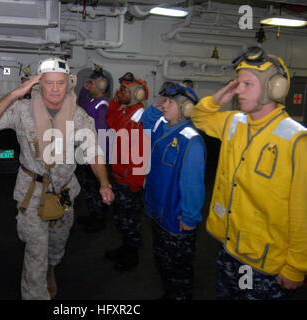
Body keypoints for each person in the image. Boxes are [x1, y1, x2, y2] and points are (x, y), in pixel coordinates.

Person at [0, 57, 114, 300]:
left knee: (56, 245)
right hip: (32, 191)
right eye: (48, 83)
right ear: (39, 85)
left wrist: (104, 183)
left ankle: (51, 269)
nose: (54, 88)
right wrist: (15, 93)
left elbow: (93, 152)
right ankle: (35, 292)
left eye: (59, 83)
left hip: (64, 193)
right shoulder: (22, 109)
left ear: (68, 84)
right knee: (36, 251)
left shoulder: (79, 116)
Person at [191, 46, 307, 299]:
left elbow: (302, 211)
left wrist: (296, 268)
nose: (238, 91)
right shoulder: (234, 121)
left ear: (274, 88)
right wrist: (217, 100)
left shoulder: (297, 140)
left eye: (247, 84)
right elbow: (199, 118)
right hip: (230, 246)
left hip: (265, 264)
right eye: (237, 84)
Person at [140, 81, 205, 300]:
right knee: (163, 262)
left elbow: (192, 185)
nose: (164, 105)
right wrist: (155, 106)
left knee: (179, 271)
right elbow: (145, 122)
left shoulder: (191, 141)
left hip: (176, 220)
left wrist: (190, 217)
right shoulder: (161, 125)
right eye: (164, 101)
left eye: (170, 102)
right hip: (158, 212)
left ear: (186, 108)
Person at [105, 72, 149, 271]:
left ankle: (132, 255)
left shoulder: (141, 117)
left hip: (129, 181)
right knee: (120, 217)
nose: (119, 92)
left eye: (124, 90)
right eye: (120, 89)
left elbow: (142, 153)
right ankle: (125, 247)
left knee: (130, 220)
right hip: (118, 177)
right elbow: (111, 121)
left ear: (137, 94)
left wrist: (135, 184)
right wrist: (115, 101)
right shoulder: (125, 112)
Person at [76, 66, 110, 233]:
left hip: (96, 153)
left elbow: (102, 134)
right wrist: (84, 88)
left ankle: (99, 219)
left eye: (92, 82)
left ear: (101, 84)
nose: (89, 84)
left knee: (96, 187)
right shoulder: (92, 101)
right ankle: (93, 213)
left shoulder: (102, 105)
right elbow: (80, 104)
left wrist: (99, 156)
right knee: (89, 187)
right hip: (87, 151)